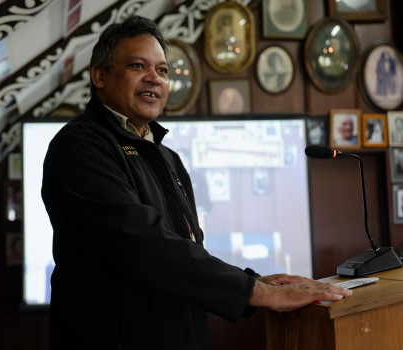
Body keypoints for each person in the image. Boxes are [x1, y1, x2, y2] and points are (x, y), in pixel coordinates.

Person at [41, 16, 351, 349]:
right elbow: (145, 247)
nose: (154, 79)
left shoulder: (168, 157)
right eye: (137, 66)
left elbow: (186, 253)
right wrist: (255, 291)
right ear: (100, 76)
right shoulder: (78, 147)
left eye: (162, 70)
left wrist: (254, 282)